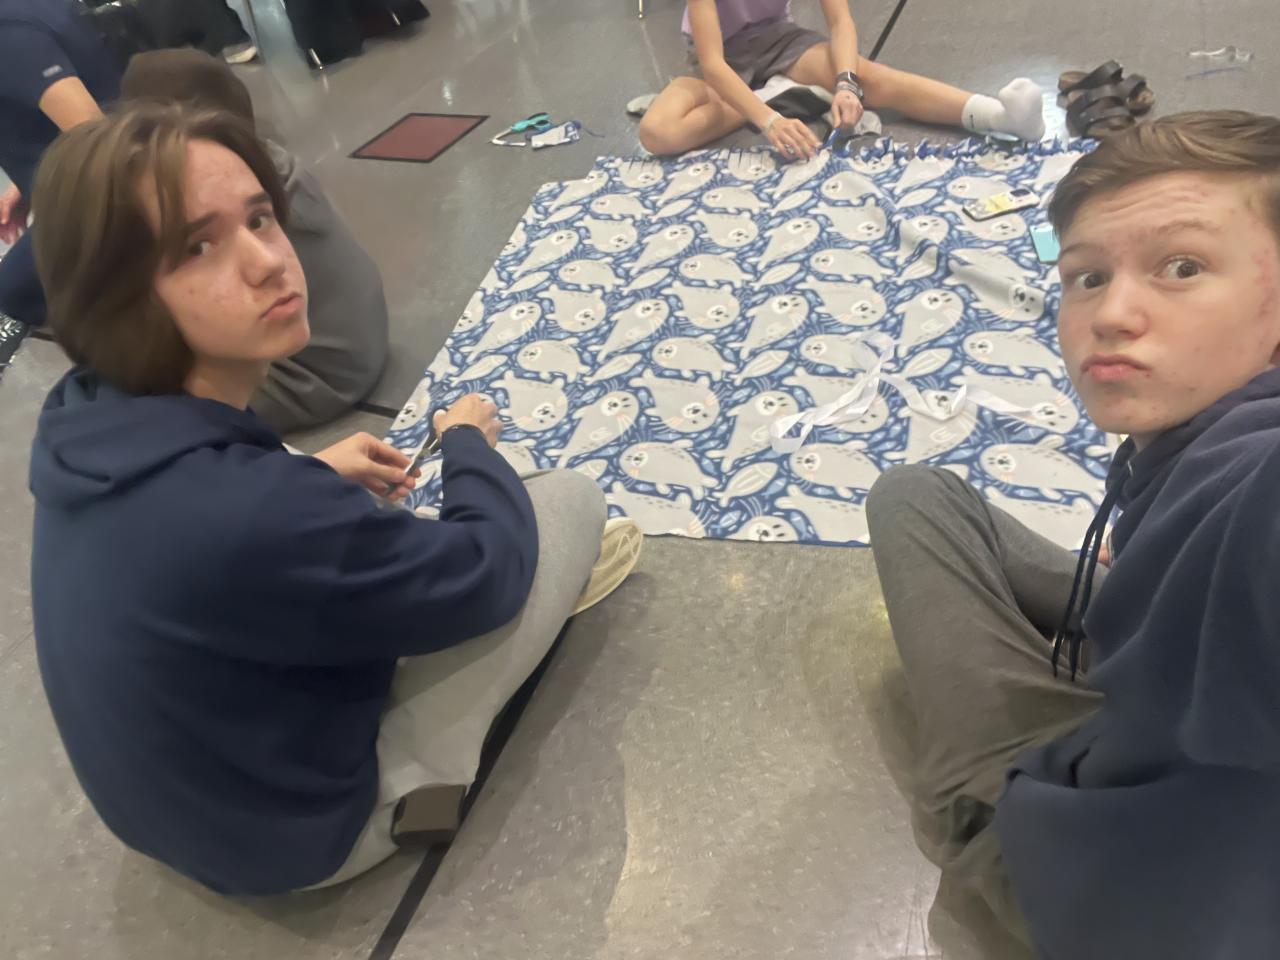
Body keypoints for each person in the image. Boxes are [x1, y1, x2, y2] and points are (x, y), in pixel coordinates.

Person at [27, 103, 639, 895]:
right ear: (116, 291)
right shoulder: (256, 514)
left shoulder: (81, 412)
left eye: (259, 219)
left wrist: (307, 474)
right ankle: (416, 789)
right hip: (299, 840)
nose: (267, 262)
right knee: (567, 501)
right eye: (197, 247)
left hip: (180, 813)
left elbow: (217, 525)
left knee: (366, 509)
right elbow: (483, 572)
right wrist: (464, 442)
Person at [866, 110, 1280, 958]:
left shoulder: (1249, 481)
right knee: (919, 493)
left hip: (1114, 888)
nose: (1113, 313)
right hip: (1187, 771)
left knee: (908, 503)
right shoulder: (1195, 456)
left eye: (1182, 266)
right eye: (1086, 276)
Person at [122, 48, 389, 433]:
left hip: (319, 375)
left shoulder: (204, 192)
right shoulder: (259, 164)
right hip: (357, 341)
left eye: (258, 221)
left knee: (145, 403)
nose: (269, 263)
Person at [636, 0, 1045, 159]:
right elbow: (712, 63)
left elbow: (841, 22)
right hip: (723, 57)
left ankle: (1000, 117)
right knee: (658, 132)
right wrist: (769, 120)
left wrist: (847, 84)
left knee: (869, 76)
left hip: (780, 41)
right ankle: (779, 96)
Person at [0, 0, 120, 328]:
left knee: (16, 292)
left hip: (110, 199)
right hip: (115, 166)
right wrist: (27, 183)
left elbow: (101, 142)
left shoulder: (8, 37)